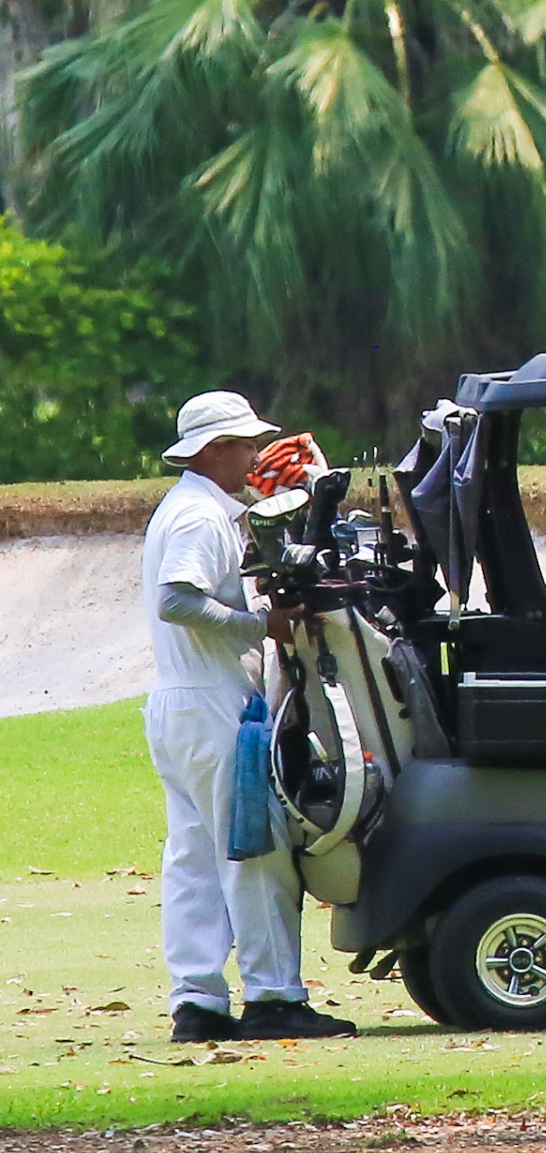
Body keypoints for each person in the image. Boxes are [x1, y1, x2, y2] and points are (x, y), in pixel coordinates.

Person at [144, 392, 358, 1042]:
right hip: (212, 701)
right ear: (212, 451)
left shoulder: (184, 507)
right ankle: (271, 995)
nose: (253, 456)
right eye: (242, 445)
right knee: (255, 848)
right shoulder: (200, 517)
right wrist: (256, 624)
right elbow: (178, 598)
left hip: (180, 704)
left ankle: (199, 1002)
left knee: (195, 858)